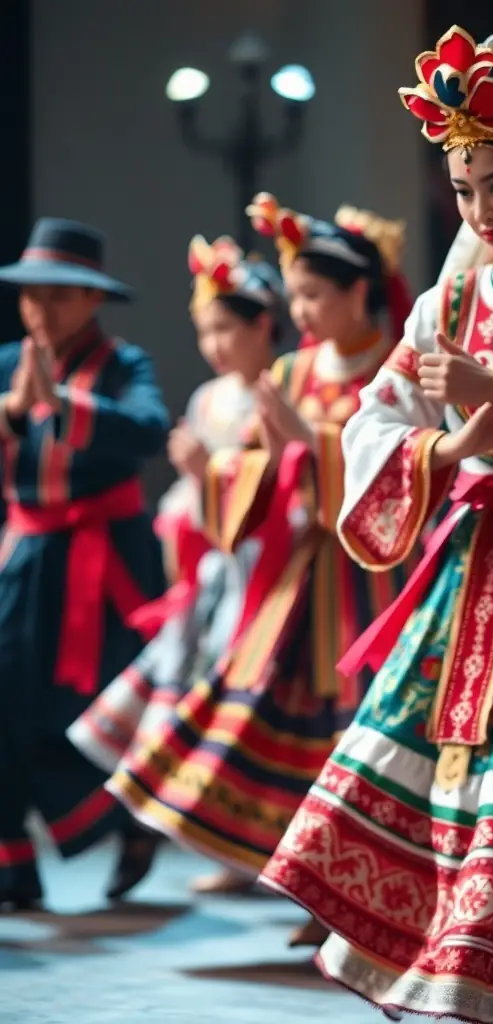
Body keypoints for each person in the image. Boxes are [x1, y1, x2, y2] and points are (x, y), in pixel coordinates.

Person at [261, 27, 493, 1023]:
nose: (481, 211)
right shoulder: (455, 293)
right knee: (451, 761)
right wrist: (442, 453)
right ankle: (449, 966)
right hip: (473, 568)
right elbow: (377, 415)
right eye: (463, 190)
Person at [106, 198, 416, 934]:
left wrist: (311, 445)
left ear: (357, 292)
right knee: (284, 722)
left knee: (363, 726)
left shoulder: (394, 367)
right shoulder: (293, 369)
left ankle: (353, 889)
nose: (301, 311)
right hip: (298, 576)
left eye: (313, 295)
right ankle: (307, 883)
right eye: (296, 295)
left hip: (374, 576)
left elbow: (404, 465)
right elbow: (252, 464)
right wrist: (215, 471)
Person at [67, 236, 284, 896]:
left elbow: (275, 485)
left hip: (262, 562)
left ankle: (264, 847)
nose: (215, 345)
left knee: (249, 703)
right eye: (205, 331)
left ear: (262, 325)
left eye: (226, 329)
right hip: (212, 568)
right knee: (195, 694)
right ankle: (223, 845)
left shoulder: (279, 391)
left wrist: (208, 473)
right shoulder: (213, 400)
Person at [0, 218, 169, 909]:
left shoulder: (125, 365)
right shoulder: (8, 361)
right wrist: (13, 414)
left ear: (93, 300)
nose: (41, 311)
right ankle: (16, 864)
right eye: (31, 296)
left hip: (105, 566)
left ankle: (128, 819)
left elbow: (148, 430)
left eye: (60, 296)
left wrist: (60, 403)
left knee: (83, 715)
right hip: (26, 555)